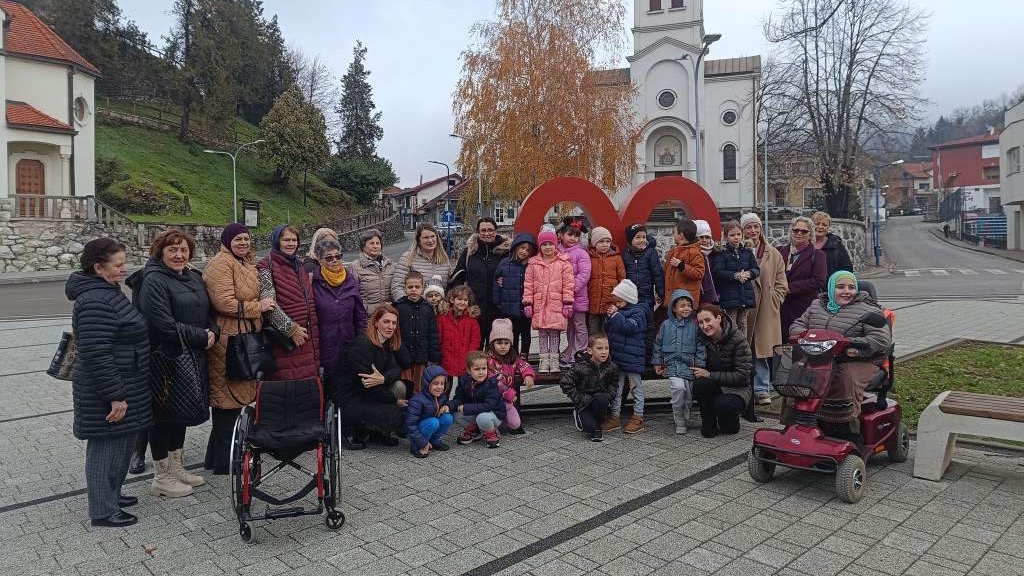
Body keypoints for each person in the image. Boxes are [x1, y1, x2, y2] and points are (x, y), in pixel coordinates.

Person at [67, 238, 153, 527]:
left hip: (126, 378)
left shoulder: (108, 291)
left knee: (122, 442)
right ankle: (103, 510)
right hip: (106, 387)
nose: (123, 269)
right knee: (105, 446)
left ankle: (112, 493)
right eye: (118, 265)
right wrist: (115, 395)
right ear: (98, 267)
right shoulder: (94, 300)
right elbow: (96, 353)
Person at [128, 229, 216, 498]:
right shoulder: (152, 280)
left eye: (183, 250)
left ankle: (177, 467)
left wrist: (213, 331)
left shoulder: (191, 276)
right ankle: (162, 476)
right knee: (163, 417)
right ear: (160, 253)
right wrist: (202, 337)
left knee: (181, 413)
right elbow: (161, 324)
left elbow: (208, 311)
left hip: (191, 356)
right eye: (172, 250)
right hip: (165, 359)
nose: (179, 255)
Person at [202, 223, 274, 476]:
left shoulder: (243, 263)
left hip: (244, 336)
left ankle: (219, 457)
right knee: (226, 403)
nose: (243, 243)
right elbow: (224, 302)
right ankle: (225, 461)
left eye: (246, 238)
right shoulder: (221, 264)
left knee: (237, 399)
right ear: (227, 241)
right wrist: (259, 307)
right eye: (238, 239)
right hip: (230, 339)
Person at [789, 271, 891, 432]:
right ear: (830, 288)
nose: (846, 291)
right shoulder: (817, 305)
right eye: (840, 287)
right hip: (820, 356)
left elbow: (881, 339)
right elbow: (797, 326)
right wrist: (806, 336)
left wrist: (851, 345)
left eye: (851, 287)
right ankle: (800, 423)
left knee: (844, 377)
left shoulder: (868, 310)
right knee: (796, 371)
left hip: (858, 359)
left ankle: (846, 428)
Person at [333, 305, 408, 447]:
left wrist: (383, 378)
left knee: (401, 387)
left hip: (367, 391)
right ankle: (349, 430)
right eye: (386, 322)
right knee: (395, 413)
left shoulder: (385, 342)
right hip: (350, 396)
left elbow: (396, 369)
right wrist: (394, 400)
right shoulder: (362, 344)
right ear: (375, 322)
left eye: (394, 323)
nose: (390, 326)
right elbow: (368, 385)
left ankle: (376, 431)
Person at [257, 224, 320, 380]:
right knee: (287, 386)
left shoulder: (299, 265)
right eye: (286, 240)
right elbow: (268, 303)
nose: (291, 243)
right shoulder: (266, 267)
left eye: (294, 240)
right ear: (277, 241)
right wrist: (291, 329)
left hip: (308, 337)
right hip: (285, 341)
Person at [741, 213, 789, 407]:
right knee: (744, 348)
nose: (753, 231)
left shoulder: (772, 253)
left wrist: (775, 300)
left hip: (766, 307)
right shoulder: (737, 250)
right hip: (744, 305)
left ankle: (761, 389)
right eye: (748, 227)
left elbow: (781, 282)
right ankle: (744, 388)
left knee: (761, 350)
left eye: (756, 226)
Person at [311, 237, 367, 381]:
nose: (335, 260)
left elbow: (359, 315)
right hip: (324, 345)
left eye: (338, 256)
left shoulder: (351, 280)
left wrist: (362, 340)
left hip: (349, 342)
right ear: (319, 260)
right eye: (329, 258)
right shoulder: (313, 282)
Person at [693, 304, 753, 438]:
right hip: (712, 385)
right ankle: (708, 420)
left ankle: (729, 418)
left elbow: (743, 376)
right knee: (700, 384)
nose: (704, 326)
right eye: (701, 322)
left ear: (718, 318)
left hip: (736, 389)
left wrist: (710, 375)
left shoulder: (738, 340)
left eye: (708, 320)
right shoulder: (700, 339)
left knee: (726, 417)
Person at [652, 289, 705, 435]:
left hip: (689, 366)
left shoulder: (694, 326)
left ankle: (685, 418)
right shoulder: (666, 325)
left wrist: (700, 363)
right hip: (672, 365)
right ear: (674, 308)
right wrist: (657, 363)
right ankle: (679, 419)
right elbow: (658, 344)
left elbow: (700, 346)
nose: (686, 308)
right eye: (682, 305)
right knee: (678, 388)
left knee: (688, 396)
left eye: (688, 305)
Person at [449, 217, 509, 345]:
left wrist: (507, 281)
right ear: (478, 232)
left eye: (490, 230)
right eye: (483, 230)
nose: (487, 233)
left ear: (496, 231)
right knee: (475, 346)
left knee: (496, 347)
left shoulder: (505, 252)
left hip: (498, 308)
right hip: (474, 309)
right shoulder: (470, 252)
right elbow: (458, 276)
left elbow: (515, 274)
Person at [523, 230, 575, 373]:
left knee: (554, 333)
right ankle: (543, 360)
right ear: (540, 246)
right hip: (540, 304)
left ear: (556, 245)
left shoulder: (563, 263)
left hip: (556, 304)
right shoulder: (533, 264)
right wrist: (528, 303)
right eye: (544, 244)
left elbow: (568, 284)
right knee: (542, 334)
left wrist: (568, 302)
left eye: (550, 244)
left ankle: (554, 360)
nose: (547, 247)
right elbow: (528, 285)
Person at [603, 279, 647, 435]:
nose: (616, 302)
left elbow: (628, 327)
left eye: (619, 299)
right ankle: (615, 416)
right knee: (617, 388)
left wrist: (615, 315)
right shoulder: (618, 312)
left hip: (633, 358)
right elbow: (609, 329)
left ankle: (638, 416)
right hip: (617, 357)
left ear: (628, 298)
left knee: (636, 387)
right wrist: (609, 318)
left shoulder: (639, 312)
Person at [560, 334, 620, 442]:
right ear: (590, 350)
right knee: (588, 427)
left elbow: (614, 385)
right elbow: (565, 383)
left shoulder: (612, 367)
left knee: (601, 399)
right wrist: (579, 398)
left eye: (606, 348)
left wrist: (608, 397)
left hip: (600, 401)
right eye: (599, 348)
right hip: (585, 402)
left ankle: (597, 428)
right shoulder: (580, 366)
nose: (604, 352)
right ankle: (580, 414)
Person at [621, 223, 664, 365]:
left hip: (646, 297)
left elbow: (657, 273)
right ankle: (635, 356)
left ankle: (649, 356)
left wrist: (660, 291)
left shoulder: (650, 253)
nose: (642, 240)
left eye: (644, 237)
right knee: (634, 327)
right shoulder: (625, 254)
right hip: (630, 299)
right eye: (638, 237)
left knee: (649, 327)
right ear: (630, 239)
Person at [779, 216, 828, 341]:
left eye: (804, 231)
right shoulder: (780, 252)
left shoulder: (818, 255)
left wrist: (790, 288)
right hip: (780, 308)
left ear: (810, 234)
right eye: (796, 230)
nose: (799, 233)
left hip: (803, 309)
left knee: (800, 344)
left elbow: (818, 280)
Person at [393, 270, 442, 393]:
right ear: (405, 288)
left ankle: (417, 409)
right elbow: (395, 333)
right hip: (403, 356)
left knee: (419, 387)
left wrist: (434, 356)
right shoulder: (398, 307)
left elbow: (433, 334)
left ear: (422, 288)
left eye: (417, 287)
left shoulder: (427, 308)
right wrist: (399, 353)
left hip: (421, 356)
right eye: (410, 287)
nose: (413, 290)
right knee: (404, 387)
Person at [486, 318, 536, 435]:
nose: (503, 346)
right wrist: (507, 393)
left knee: (515, 424)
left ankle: (503, 421)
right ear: (492, 344)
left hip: (508, 401)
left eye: (506, 343)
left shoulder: (513, 358)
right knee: (492, 417)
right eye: (499, 343)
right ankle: (491, 426)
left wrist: (528, 375)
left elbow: (524, 365)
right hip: (492, 399)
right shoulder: (488, 360)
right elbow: (492, 380)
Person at [711, 221, 760, 335]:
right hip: (729, 294)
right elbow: (718, 272)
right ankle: (732, 347)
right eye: (732, 235)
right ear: (726, 236)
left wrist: (749, 274)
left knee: (743, 322)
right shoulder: (722, 253)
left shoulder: (747, 252)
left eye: (738, 234)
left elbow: (756, 269)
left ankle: (743, 348)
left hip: (745, 294)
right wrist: (735, 275)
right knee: (731, 322)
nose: (736, 238)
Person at [493, 233, 537, 356]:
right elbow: (496, 283)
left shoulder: (531, 265)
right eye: (522, 248)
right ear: (516, 247)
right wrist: (498, 302)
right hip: (508, 306)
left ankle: (524, 356)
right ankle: (513, 356)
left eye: (528, 250)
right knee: (512, 333)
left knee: (526, 333)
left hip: (525, 307)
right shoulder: (504, 263)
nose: (524, 252)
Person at [557, 216, 592, 368]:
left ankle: (580, 351)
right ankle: (571, 349)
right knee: (569, 326)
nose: (573, 238)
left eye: (576, 235)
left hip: (577, 296)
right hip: (562, 297)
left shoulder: (581, 253)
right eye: (569, 234)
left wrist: (570, 288)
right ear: (561, 235)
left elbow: (584, 274)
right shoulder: (556, 251)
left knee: (580, 325)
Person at [451, 351, 505, 449]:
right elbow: (458, 398)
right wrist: (448, 406)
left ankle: (492, 433)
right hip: (476, 411)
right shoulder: (464, 381)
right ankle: (475, 431)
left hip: (493, 414)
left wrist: (467, 408)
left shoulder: (491, 383)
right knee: (455, 414)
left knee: (482, 417)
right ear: (468, 370)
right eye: (476, 369)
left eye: (484, 368)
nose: (481, 372)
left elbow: (489, 405)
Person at [392, 223, 452, 301]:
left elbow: (448, 288)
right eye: (426, 237)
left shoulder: (444, 259)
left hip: (439, 310)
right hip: (415, 309)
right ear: (419, 240)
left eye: (432, 236)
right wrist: (407, 305)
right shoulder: (407, 258)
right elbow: (397, 287)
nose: (430, 240)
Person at [405, 365, 454, 458]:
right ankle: (418, 446)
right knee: (433, 422)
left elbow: (451, 404)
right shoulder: (417, 400)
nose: (439, 387)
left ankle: (434, 441)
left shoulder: (442, 397)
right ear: (427, 383)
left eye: (442, 383)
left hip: (429, 426)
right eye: (435, 383)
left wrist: (447, 406)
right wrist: (422, 442)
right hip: (417, 432)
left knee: (448, 417)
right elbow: (410, 425)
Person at [587, 226, 626, 336]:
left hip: (610, 301)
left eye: (608, 241)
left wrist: (620, 299)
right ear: (594, 243)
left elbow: (622, 278)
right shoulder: (589, 257)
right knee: (592, 329)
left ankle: (607, 351)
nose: (605, 244)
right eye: (601, 241)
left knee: (607, 329)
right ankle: (593, 351)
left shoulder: (616, 258)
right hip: (593, 301)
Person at [438, 284, 482, 380]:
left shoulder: (472, 320)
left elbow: (475, 340)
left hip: (464, 360)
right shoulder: (442, 318)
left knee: (464, 389)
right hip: (446, 359)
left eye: (465, 300)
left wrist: (470, 357)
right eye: (459, 299)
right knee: (445, 388)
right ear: (452, 300)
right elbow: (439, 338)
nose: (462, 302)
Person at [349, 228, 395, 316]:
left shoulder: (390, 264)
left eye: (378, 243)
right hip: (368, 317)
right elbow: (353, 297)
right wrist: (376, 308)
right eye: (371, 243)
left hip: (388, 316)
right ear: (363, 246)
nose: (375, 246)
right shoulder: (354, 267)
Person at [663, 217, 707, 310]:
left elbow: (699, 273)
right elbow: (666, 272)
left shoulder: (694, 252)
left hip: (686, 302)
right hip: (673, 301)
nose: (673, 235)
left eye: (674, 232)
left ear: (681, 235)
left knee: (686, 324)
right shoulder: (674, 251)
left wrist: (682, 266)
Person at [812, 212, 853, 278]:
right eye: (817, 224)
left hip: (830, 286)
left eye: (824, 225)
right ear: (811, 225)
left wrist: (835, 282)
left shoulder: (836, 244)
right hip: (808, 286)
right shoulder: (804, 243)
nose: (820, 227)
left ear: (828, 228)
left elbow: (847, 268)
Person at [694, 220, 720, 306]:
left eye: (707, 237)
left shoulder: (716, 253)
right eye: (701, 237)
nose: (704, 240)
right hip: (701, 293)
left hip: (716, 291)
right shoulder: (694, 253)